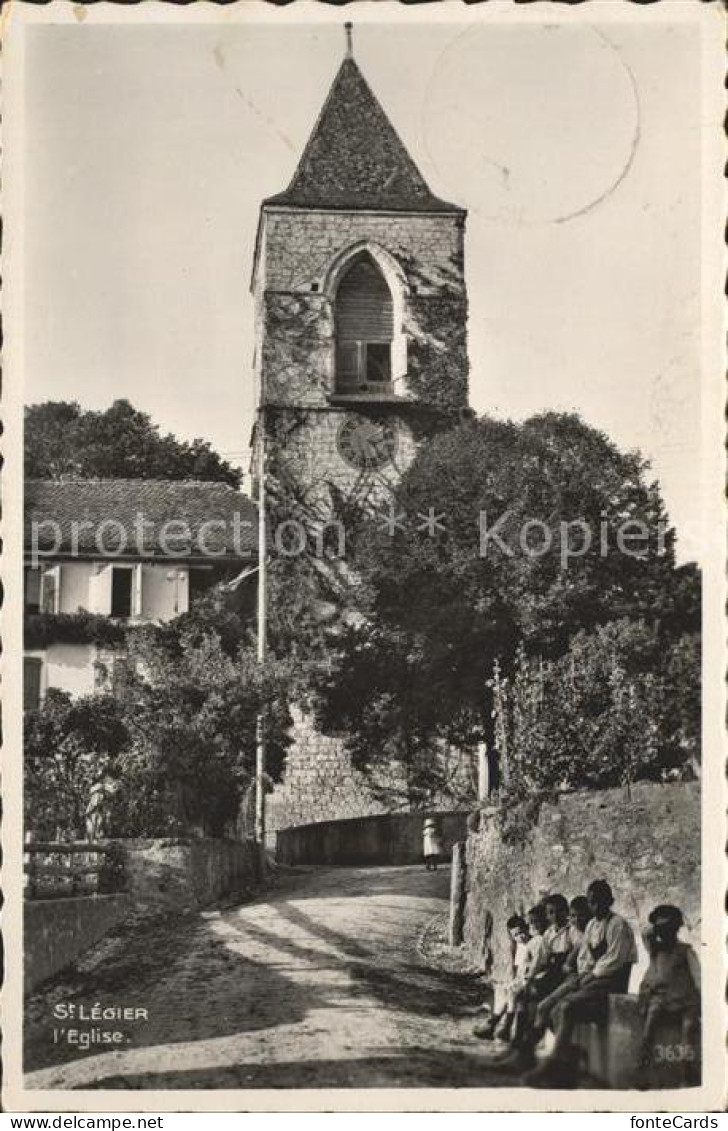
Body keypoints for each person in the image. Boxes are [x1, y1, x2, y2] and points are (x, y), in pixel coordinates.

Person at [523, 879, 638, 1087]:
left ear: (610, 901)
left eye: (600, 902)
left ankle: (556, 1063)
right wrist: (585, 974)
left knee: (567, 1005)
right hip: (591, 980)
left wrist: (590, 976)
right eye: (592, 902)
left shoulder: (618, 925)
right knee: (551, 1006)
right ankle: (558, 1056)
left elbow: (613, 960)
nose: (596, 907)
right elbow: (584, 958)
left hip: (611, 982)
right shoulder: (593, 925)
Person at [638, 904, 700, 1076]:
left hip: (686, 1001)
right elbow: (645, 932)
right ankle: (643, 1066)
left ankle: (685, 1070)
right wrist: (656, 923)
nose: (664, 934)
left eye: (668, 929)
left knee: (688, 1029)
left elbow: (698, 978)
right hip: (662, 998)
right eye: (661, 930)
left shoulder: (685, 951)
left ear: (675, 930)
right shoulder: (655, 949)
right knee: (649, 1024)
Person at [474, 914, 529, 1040]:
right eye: (515, 935)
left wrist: (517, 983)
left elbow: (531, 969)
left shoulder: (532, 944)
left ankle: (499, 1027)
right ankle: (494, 1026)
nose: (520, 937)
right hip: (522, 980)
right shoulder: (520, 946)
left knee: (512, 993)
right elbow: (519, 970)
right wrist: (514, 982)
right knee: (506, 989)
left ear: (526, 928)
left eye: (521, 932)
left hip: (532, 980)